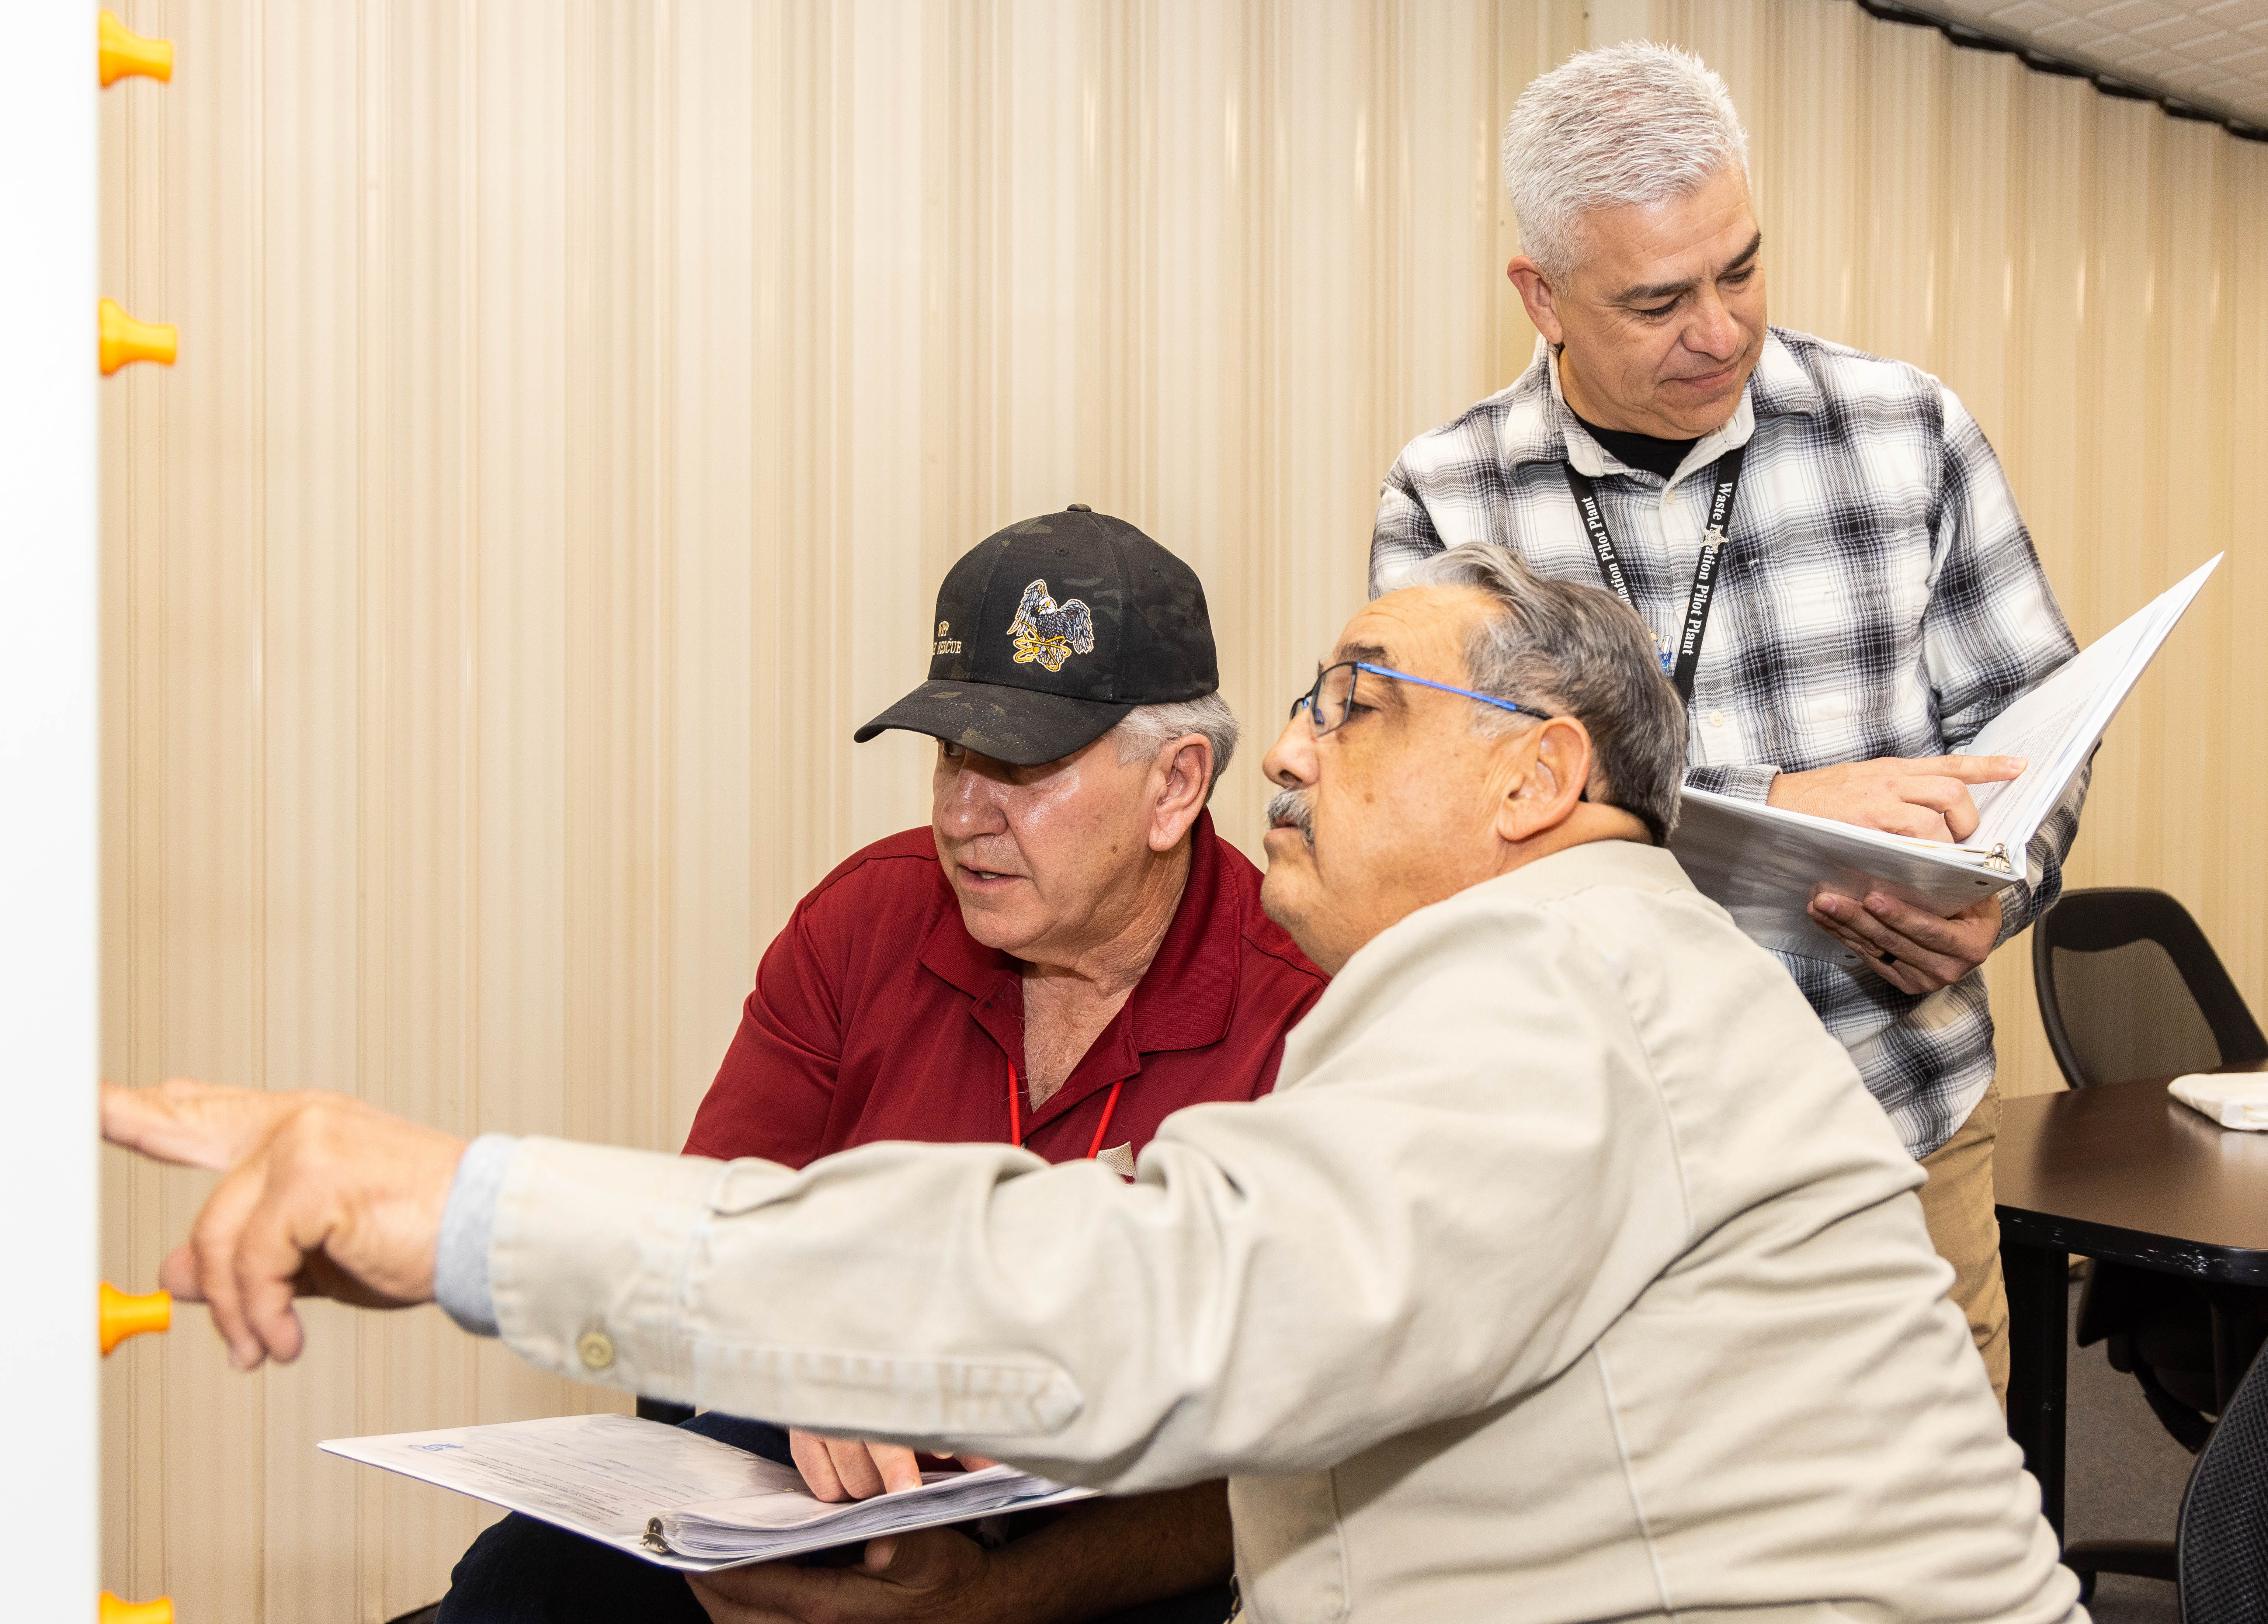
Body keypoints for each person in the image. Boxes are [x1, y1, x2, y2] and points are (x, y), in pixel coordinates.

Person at [108, 546, 2080, 1624]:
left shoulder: (1558, 973)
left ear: (1529, 779)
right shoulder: (1539, 975)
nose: (1296, 755)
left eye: (1352, 704)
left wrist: (465, 1202)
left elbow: (1168, 1308)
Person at [439, 507, 1326, 1623]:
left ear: (1175, 786)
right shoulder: (868, 916)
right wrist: (802, 1369)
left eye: (1021, 764)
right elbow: (706, 1249)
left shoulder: (1306, 1002)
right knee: (521, 1585)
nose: (963, 813)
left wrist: (991, 1600)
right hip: (831, 1477)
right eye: (954, 753)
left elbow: (1294, 1457)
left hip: (1128, 1526)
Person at [1369, 42, 2087, 1405]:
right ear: (1542, 296)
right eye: (1657, 300)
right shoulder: (1448, 501)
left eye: (1742, 268)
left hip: (1897, 1131)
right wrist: (1780, 804)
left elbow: (2033, 726)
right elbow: (1453, 822)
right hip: (1590, 1176)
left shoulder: (1908, 431)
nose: (1721, 330)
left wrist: (1999, 884)